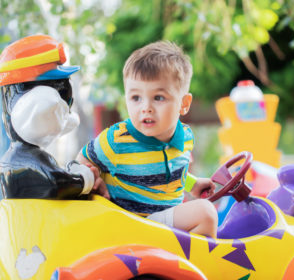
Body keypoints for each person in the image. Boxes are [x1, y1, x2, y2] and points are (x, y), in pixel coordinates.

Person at [77, 41, 218, 237]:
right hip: (133, 225)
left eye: (158, 98)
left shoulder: (184, 137)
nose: (146, 108)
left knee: (205, 213)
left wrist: (193, 184)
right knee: (206, 214)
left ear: (183, 104)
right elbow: (81, 162)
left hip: (163, 223)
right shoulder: (117, 140)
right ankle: (196, 265)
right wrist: (92, 178)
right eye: (136, 98)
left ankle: (183, 260)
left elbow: (165, 173)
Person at [0, 34, 106, 199]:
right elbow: (56, 183)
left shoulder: (31, 156)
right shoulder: (22, 161)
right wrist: (86, 178)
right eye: (60, 89)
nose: (66, 102)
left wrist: (72, 169)